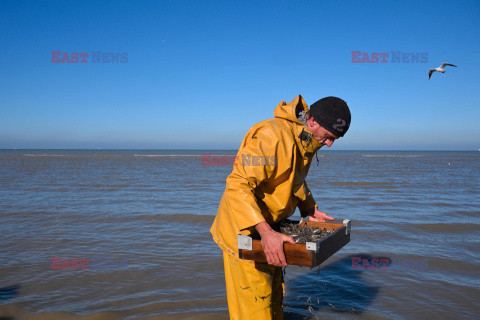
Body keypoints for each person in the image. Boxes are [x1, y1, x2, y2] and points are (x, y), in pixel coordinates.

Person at [210, 95, 351, 320]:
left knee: (275, 300)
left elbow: (292, 177)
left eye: (335, 139)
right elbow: (237, 185)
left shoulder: (305, 139)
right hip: (244, 233)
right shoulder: (271, 136)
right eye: (328, 137)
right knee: (256, 308)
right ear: (312, 121)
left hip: (271, 230)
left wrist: (309, 209)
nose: (329, 144)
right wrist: (265, 233)